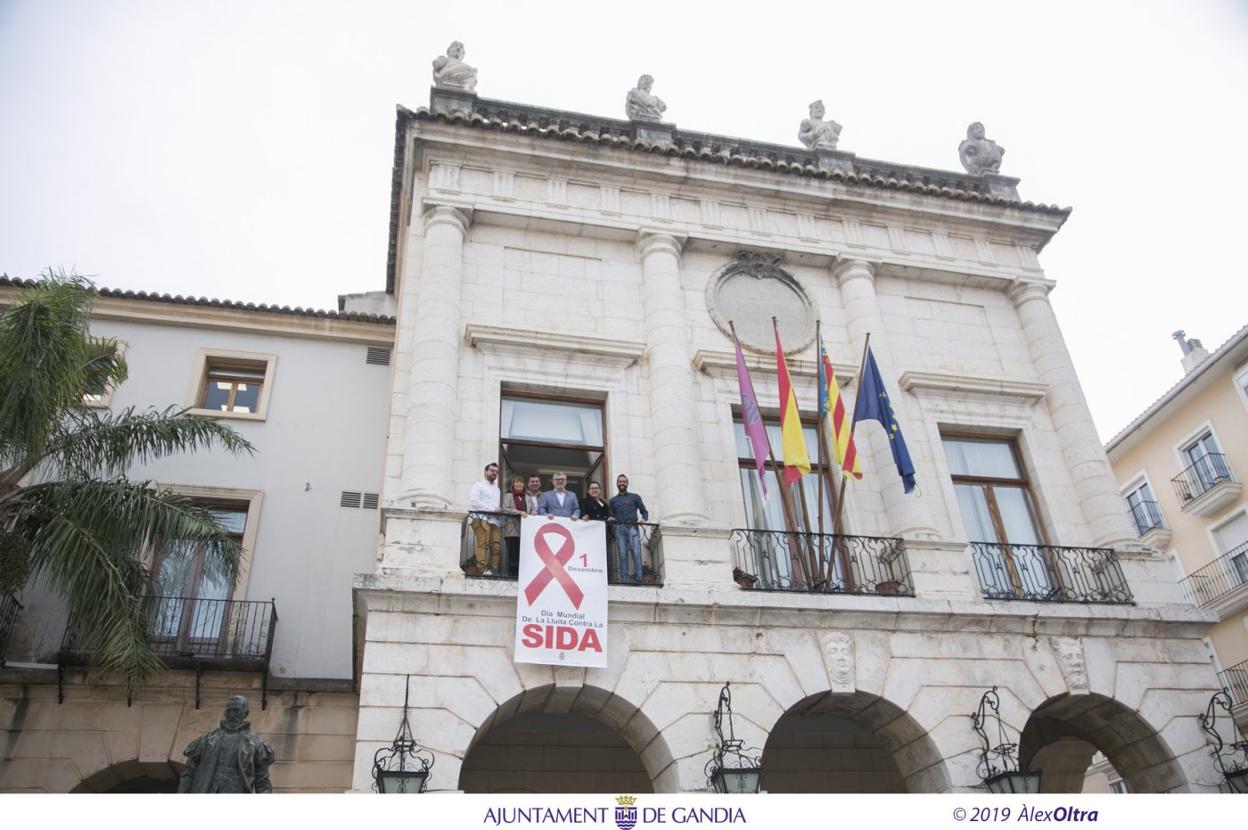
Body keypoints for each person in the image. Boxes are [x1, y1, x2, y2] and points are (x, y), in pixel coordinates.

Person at [177, 695, 274, 793]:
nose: (232, 715)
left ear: (246, 713)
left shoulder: (256, 744)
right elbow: (189, 772)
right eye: (229, 710)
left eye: (236, 710)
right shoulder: (207, 740)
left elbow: (262, 782)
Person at [608, 474, 650, 584]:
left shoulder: (635, 497)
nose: (622, 483)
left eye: (624, 481)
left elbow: (644, 511)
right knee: (622, 555)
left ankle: (639, 579)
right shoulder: (613, 500)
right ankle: (624, 580)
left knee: (636, 553)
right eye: (620, 481)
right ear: (617, 483)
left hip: (632, 528)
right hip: (619, 528)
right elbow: (611, 515)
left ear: (627, 483)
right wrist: (611, 519)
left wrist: (644, 519)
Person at [468, 462, 502, 575]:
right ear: (485, 471)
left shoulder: (497, 489)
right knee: (483, 544)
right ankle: (481, 570)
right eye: (492, 470)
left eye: (496, 472)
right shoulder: (478, 485)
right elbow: (474, 502)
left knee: (496, 547)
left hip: (495, 521)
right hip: (480, 518)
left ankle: (493, 570)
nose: (494, 473)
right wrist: (491, 509)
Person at [501, 476, 526, 577]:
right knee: (513, 553)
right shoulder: (508, 496)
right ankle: (512, 575)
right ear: (513, 484)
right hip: (512, 529)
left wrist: (533, 512)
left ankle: (522, 574)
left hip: (525, 529)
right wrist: (519, 512)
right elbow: (505, 509)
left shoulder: (527, 497)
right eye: (516, 482)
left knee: (523, 553)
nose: (519, 484)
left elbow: (531, 510)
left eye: (521, 482)